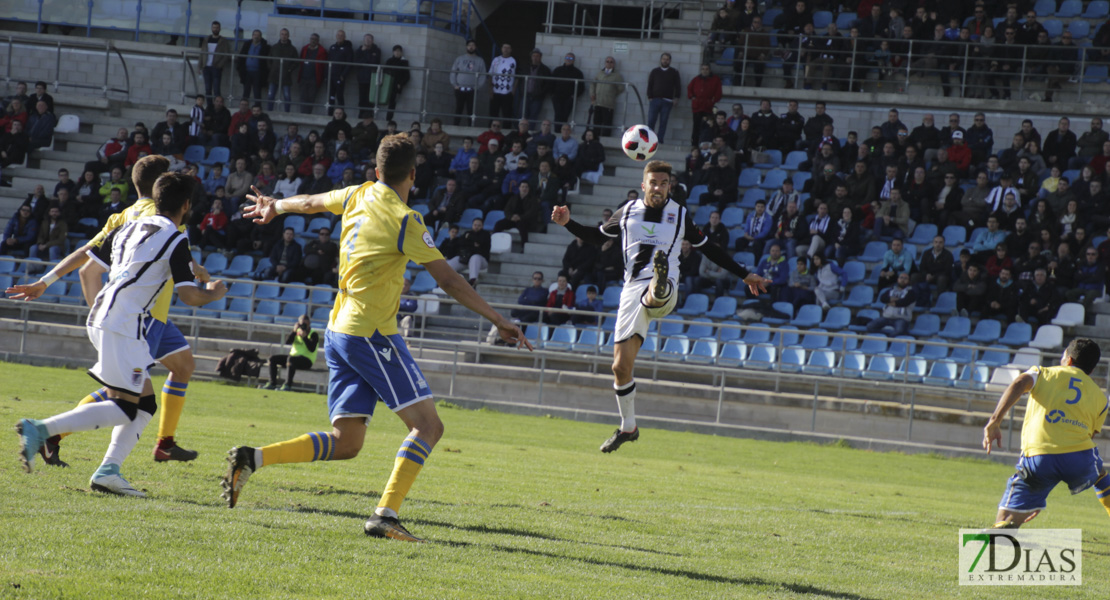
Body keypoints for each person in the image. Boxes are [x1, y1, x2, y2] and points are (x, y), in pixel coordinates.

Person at [229, 134, 531, 543]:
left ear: (376, 171)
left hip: (338, 330)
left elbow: (311, 202)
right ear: (413, 174)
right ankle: (385, 515)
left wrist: (274, 206)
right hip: (370, 333)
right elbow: (447, 279)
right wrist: (498, 318)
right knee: (428, 426)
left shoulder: (357, 193)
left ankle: (252, 458)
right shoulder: (406, 219)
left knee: (347, 442)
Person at [14, 172, 227, 496]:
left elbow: (89, 260)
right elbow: (188, 295)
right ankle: (41, 429)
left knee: (144, 404)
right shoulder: (176, 238)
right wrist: (213, 292)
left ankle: (108, 471)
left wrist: (46, 280)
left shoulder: (127, 226)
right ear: (186, 205)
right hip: (126, 325)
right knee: (125, 407)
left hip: (106, 314)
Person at [551, 160, 768, 452]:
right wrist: (568, 224)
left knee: (655, 292)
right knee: (619, 367)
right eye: (653, 183)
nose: (658, 188)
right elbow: (596, 237)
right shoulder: (627, 211)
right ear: (644, 185)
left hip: (663, 289)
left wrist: (744, 274)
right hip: (631, 291)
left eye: (664, 183)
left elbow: (710, 249)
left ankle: (661, 280)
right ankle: (629, 426)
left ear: (670, 187)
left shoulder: (679, 215)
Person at [981, 338, 1110, 529]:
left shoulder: (1043, 373)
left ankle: (1006, 525)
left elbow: (1019, 382)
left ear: (1069, 360)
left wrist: (994, 421)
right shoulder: (1101, 398)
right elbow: (1087, 436)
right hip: (1080, 458)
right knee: (1099, 474)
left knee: (1008, 515)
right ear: (1090, 370)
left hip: (1039, 458)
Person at [265, 315, 319, 391]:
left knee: (291, 359)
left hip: (307, 360)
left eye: (305, 324)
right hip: (293, 358)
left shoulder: (313, 334)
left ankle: (288, 385)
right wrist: (294, 331)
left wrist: (305, 338)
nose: (303, 326)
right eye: (301, 324)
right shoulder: (296, 332)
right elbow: (287, 342)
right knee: (272, 358)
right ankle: (272, 383)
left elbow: (312, 349)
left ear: (309, 323)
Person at [646, 53, 681, 144]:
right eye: (664, 59)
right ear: (661, 60)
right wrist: (650, 96)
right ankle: (649, 139)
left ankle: (659, 140)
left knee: (663, 122)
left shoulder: (674, 72)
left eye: (667, 59)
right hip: (655, 99)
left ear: (670, 61)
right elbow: (650, 84)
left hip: (667, 101)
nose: (665, 61)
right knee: (651, 121)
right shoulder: (655, 71)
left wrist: (676, 97)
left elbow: (678, 86)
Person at [450, 39, 486, 126]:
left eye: (473, 45)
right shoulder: (460, 59)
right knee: (459, 108)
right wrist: (455, 85)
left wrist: (477, 87)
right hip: (459, 88)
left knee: (471, 109)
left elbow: (483, 75)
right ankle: (455, 125)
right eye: (469, 45)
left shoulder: (480, 60)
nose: (471, 47)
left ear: (476, 47)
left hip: (472, 89)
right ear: (466, 47)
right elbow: (453, 72)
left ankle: (471, 126)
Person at [447, 217, 490, 287]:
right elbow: (460, 242)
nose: (477, 227)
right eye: (475, 225)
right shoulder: (467, 233)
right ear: (472, 225)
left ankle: (473, 280)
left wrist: (469, 239)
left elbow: (480, 241)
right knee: (450, 263)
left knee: (475, 257)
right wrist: (473, 244)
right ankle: (447, 281)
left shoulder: (486, 234)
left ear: (482, 226)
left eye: (479, 225)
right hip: (466, 259)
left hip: (481, 261)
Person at [687, 64, 721, 147]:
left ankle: (706, 143)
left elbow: (718, 92)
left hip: (708, 108)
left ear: (709, 70)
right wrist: (692, 97)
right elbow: (689, 89)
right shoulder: (696, 79)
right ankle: (694, 144)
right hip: (697, 107)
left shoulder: (715, 79)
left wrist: (713, 101)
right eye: (703, 69)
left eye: (706, 69)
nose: (704, 71)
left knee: (708, 126)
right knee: (696, 126)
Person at [267, 28, 299, 113]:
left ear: (288, 36)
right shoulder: (274, 47)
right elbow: (268, 59)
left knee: (287, 96)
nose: (284, 36)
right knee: (270, 96)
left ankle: (287, 113)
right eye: (282, 34)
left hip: (286, 77)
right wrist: (272, 68)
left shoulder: (292, 49)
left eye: (285, 34)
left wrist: (289, 70)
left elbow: (296, 62)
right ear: (279, 35)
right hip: (274, 76)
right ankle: (269, 112)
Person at [590, 57, 623, 137]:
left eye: (611, 62)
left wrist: (611, 94)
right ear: (605, 63)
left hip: (608, 103)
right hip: (598, 102)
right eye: (607, 61)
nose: (609, 63)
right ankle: (595, 138)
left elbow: (620, 88)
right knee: (596, 122)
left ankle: (605, 138)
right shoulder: (600, 73)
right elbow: (593, 84)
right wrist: (592, 95)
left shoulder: (617, 76)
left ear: (614, 64)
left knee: (607, 123)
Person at [199, 21, 232, 101]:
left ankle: (217, 106)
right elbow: (202, 53)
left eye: (217, 28)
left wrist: (220, 65)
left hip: (216, 68)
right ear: (211, 28)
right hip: (206, 67)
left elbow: (226, 54)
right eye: (214, 27)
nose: (215, 29)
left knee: (216, 90)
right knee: (208, 89)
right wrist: (200, 66)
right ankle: (210, 106)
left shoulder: (223, 41)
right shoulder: (206, 39)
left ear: (220, 29)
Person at [550, 52, 583, 129]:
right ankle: (557, 131)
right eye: (567, 58)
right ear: (564, 59)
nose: (569, 60)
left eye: (571, 58)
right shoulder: (557, 70)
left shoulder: (577, 73)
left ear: (574, 60)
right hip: (557, 97)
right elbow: (551, 83)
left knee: (565, 116)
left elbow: (581, 87)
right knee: (557, 114)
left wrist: (573, 96)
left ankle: (563, 132)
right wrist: (552, 94)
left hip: (569, 99)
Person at [235, 30, 270, 104]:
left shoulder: (264, 46)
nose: (256, 36)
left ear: (260, 37)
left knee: (257, 91)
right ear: (252, 36)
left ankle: (257, 108)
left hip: (258, 72)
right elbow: (241, 56)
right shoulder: (247, 44)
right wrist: (239, 68)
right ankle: (244, 108)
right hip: (247, 71)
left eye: (258, 35)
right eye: (254, 35)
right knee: (246, 91)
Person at [298, 33, 328, 115]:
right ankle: (303, 115)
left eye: (315, 39)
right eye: (312, 39)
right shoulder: (304, 49)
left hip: (314, 79)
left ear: (318, 41)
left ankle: (308, 115)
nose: (313, 41)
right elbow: (300, 61)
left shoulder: (322, 51)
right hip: (303, 78)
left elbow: (323, 66)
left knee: (311, 98)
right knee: (303, 98)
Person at [327, 30, 354, 113]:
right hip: (331, 76)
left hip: (339, 77)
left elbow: (349, 63)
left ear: (344, 37)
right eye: (338, 35)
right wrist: (326, 75)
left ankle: (341, 114)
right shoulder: (332, 47)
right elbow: (328, 62)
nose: (339, 36)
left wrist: (343, 75)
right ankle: (329, 113)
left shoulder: (348, 49)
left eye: (341, 35)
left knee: (339, 96)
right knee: (331, 96)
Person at [488, 43, 517, 122]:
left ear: (511, 50)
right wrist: (490, 89)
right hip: (495, 91)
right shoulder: (496, 59)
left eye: (508, 47)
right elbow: (490, 74)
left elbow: (518, 77)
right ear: (501, 49)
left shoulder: (514, 60)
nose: (506, 49)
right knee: (493, 114)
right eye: (504, 47)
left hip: (507, 93)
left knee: (507, 115)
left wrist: (513, 91)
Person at [383, 45, 410, 122]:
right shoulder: (389, 61)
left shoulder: (404, 62)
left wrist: (400, 84)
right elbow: (385, 72)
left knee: (392, 102)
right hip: (388, 85)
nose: (397, 53)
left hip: (396, 85)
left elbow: (406, 76)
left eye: (399, 51)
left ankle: (389, 119)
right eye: (396, 51)